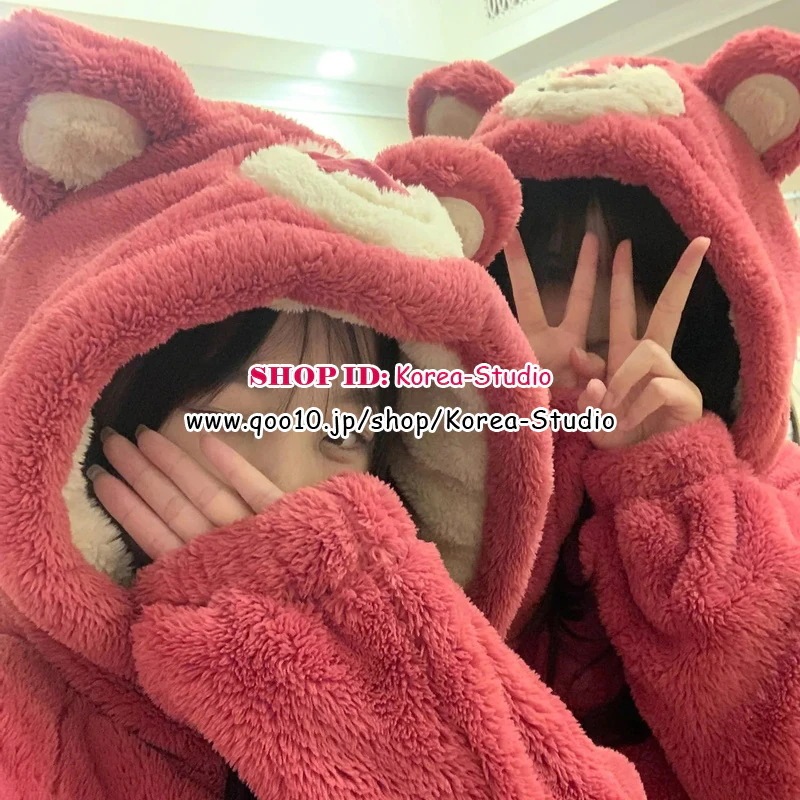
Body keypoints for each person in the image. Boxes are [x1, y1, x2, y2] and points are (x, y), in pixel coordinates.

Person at [0, 11, 651, 800]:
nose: (292, 487)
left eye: (343, 428)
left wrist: (361, 690)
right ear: (93, 415)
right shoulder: (27, 712)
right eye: (241, 417)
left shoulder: (433, 642)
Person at [407, 26, 800, 800]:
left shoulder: (780, 499)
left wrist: (681, 487)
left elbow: (775, 763)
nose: (593, 305)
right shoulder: (419, 453)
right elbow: (420, 699)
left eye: (643, 264)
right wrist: (514, 437)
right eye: (550, 261)